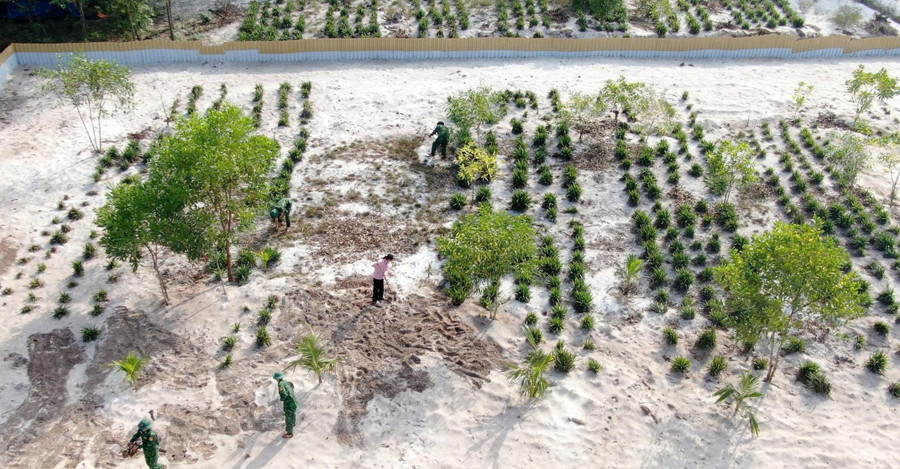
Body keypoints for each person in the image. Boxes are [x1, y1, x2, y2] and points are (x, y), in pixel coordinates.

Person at [273, 371, 297, 439]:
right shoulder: (287, 382)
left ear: (276, 379)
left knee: (288, 417)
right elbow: (292, 386)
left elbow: (284, 394)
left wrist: (282, 398)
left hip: (289, 403)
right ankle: (293, 423)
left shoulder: (280, 384)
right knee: (293, 413)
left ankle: (289, 433)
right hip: (294, 401)